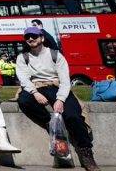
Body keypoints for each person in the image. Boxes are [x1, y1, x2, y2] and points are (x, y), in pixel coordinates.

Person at [15, 26, 98, 171]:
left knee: (73, 115)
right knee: (24, 101)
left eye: (34, 36)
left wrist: (60, 99)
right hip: (36, 87)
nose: (30, 39)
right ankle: (49, 123)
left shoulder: (55, 55)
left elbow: (65, 81)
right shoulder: (22, 57)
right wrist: (35, 93)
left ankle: (86, 152)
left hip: (56, 86)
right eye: (27, 37)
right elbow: (23, 79)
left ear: (42, 38)